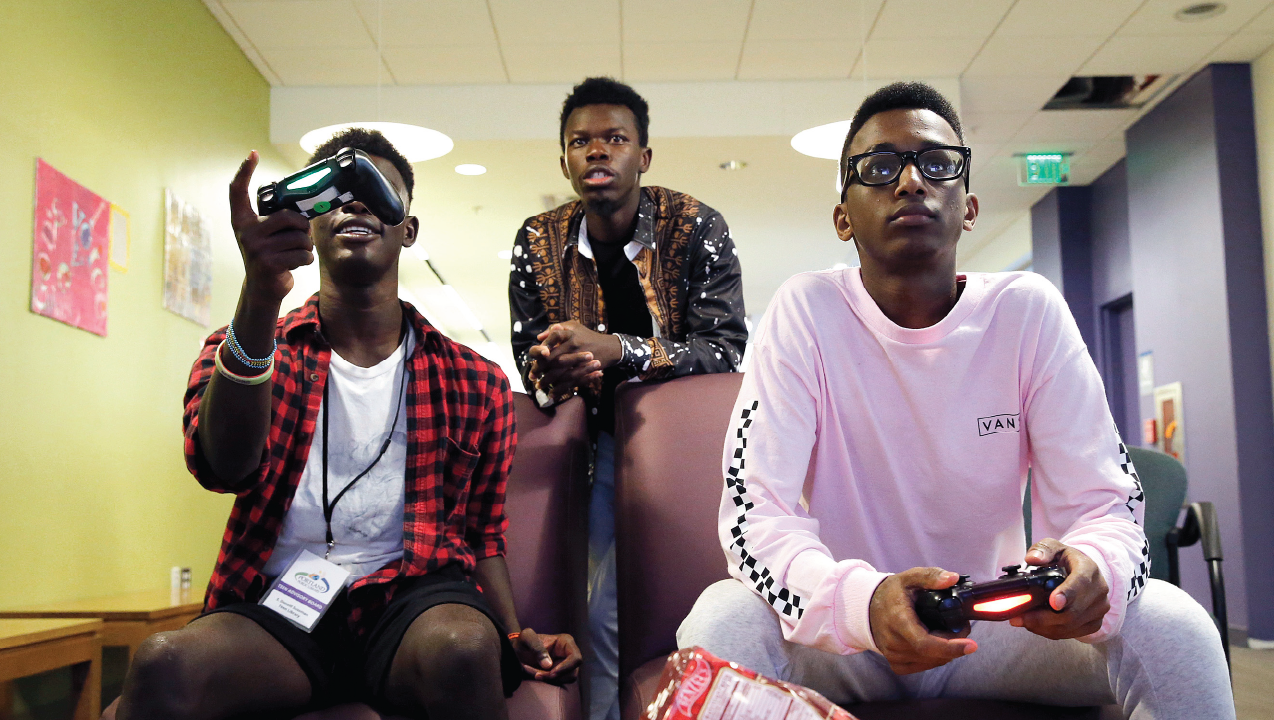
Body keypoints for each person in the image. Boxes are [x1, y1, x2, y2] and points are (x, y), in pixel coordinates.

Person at [677, 82, 1234, 718]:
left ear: (968, 206)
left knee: (1174, 620)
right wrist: (865, 601)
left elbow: (1105, 503)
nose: (911, 181)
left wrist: (1094, 566)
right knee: (720, 618)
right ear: (842, 216)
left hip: (999, 628)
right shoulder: (804, 312)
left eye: (937, 163)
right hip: (848, 637)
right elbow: (756, 517)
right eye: (880, 167)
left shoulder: (1027, 311)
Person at [114, 129, 580, 720]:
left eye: (374, 191)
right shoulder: (252, 348)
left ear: (406, 229)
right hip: (283, 607)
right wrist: (260, 295)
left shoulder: (474, 380)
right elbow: (221, 468)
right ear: (309, 221)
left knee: (463, 649)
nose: (354, 203)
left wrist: (513, 637)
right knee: (162, 661)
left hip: (416, 598)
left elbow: (483, 533)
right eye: (335, 192)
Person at [508, 77, 747, 720]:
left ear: (643, 155)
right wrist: (556, 366)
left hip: (677, 455)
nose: (597, 152)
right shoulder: (536, 240)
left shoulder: (696, 227)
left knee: (638, 604)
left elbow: (724, 351)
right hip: (582, 448)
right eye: (580, 141)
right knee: (589, 609)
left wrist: (621, 349)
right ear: (563, 159)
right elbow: (530, 366)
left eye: (615, 138)